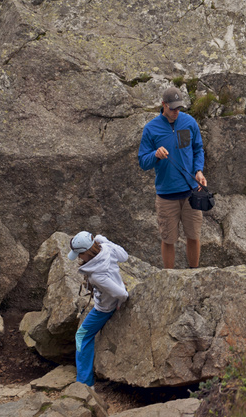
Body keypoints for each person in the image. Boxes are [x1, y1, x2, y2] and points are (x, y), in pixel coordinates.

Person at [138, 87, 208, 268]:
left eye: (179, 108)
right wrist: (155, 155)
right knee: (168, 239)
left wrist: (199, 171)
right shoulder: (151, 129)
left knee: (193, 236)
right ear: (164, 105)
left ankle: (194, 271)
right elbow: (143, 162)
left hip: (191, 192)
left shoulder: (189, 122)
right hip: (166, 195)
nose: (176, 112)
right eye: (173, 108)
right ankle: (169, 277)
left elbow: (198, 149)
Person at [67, 231, 130, 387]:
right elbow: (124, 256)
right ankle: (85, 381)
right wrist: (106, 240)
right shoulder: (107, 248)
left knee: (81, 336)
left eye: (80, 254)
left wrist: (120, 303)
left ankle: (85, 384)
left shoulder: (97, 276)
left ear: (87, 252)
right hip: (107, 302)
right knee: (83, 335)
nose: (79, 258)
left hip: (104, 309)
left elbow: (122, 294)